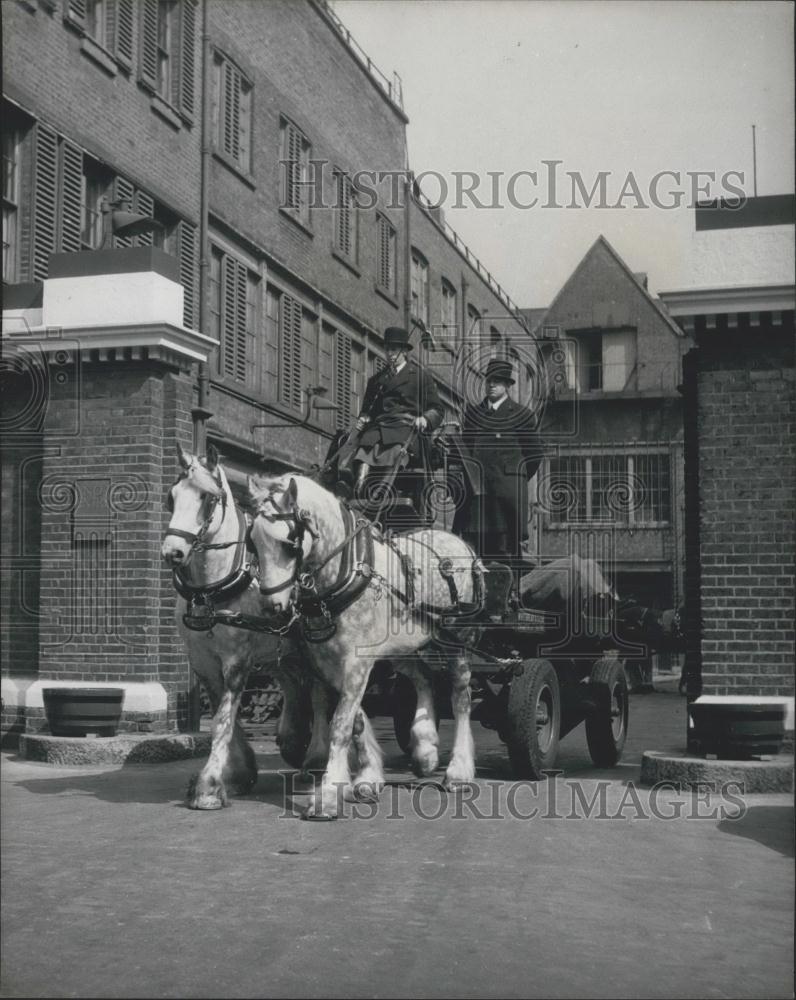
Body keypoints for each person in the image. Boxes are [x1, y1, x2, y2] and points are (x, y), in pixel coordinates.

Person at [453, 357, 544, 563]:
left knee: (505, 555)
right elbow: (465, 452)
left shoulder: (522, 415)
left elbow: (534, 455)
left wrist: (514, 479)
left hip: (506, 498)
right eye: (489, 380)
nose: (492, 384)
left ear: (507, 385)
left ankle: (509, 593)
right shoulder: (473, 414)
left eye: (498, 381)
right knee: (472, 552)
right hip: (477, 496)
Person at [350, 326, 443, 498]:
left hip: (406, 429)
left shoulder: (420, 377)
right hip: (378, 427)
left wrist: (425, 419)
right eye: (387, 349)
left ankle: (382, 492)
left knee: (396, 448)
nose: (390, 354)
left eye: (394, 349)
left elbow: (437, 409)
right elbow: (366, 410)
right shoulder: (376, 380)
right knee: (364, 447)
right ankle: (359, 486)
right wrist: (363, 418)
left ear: (404, 352)